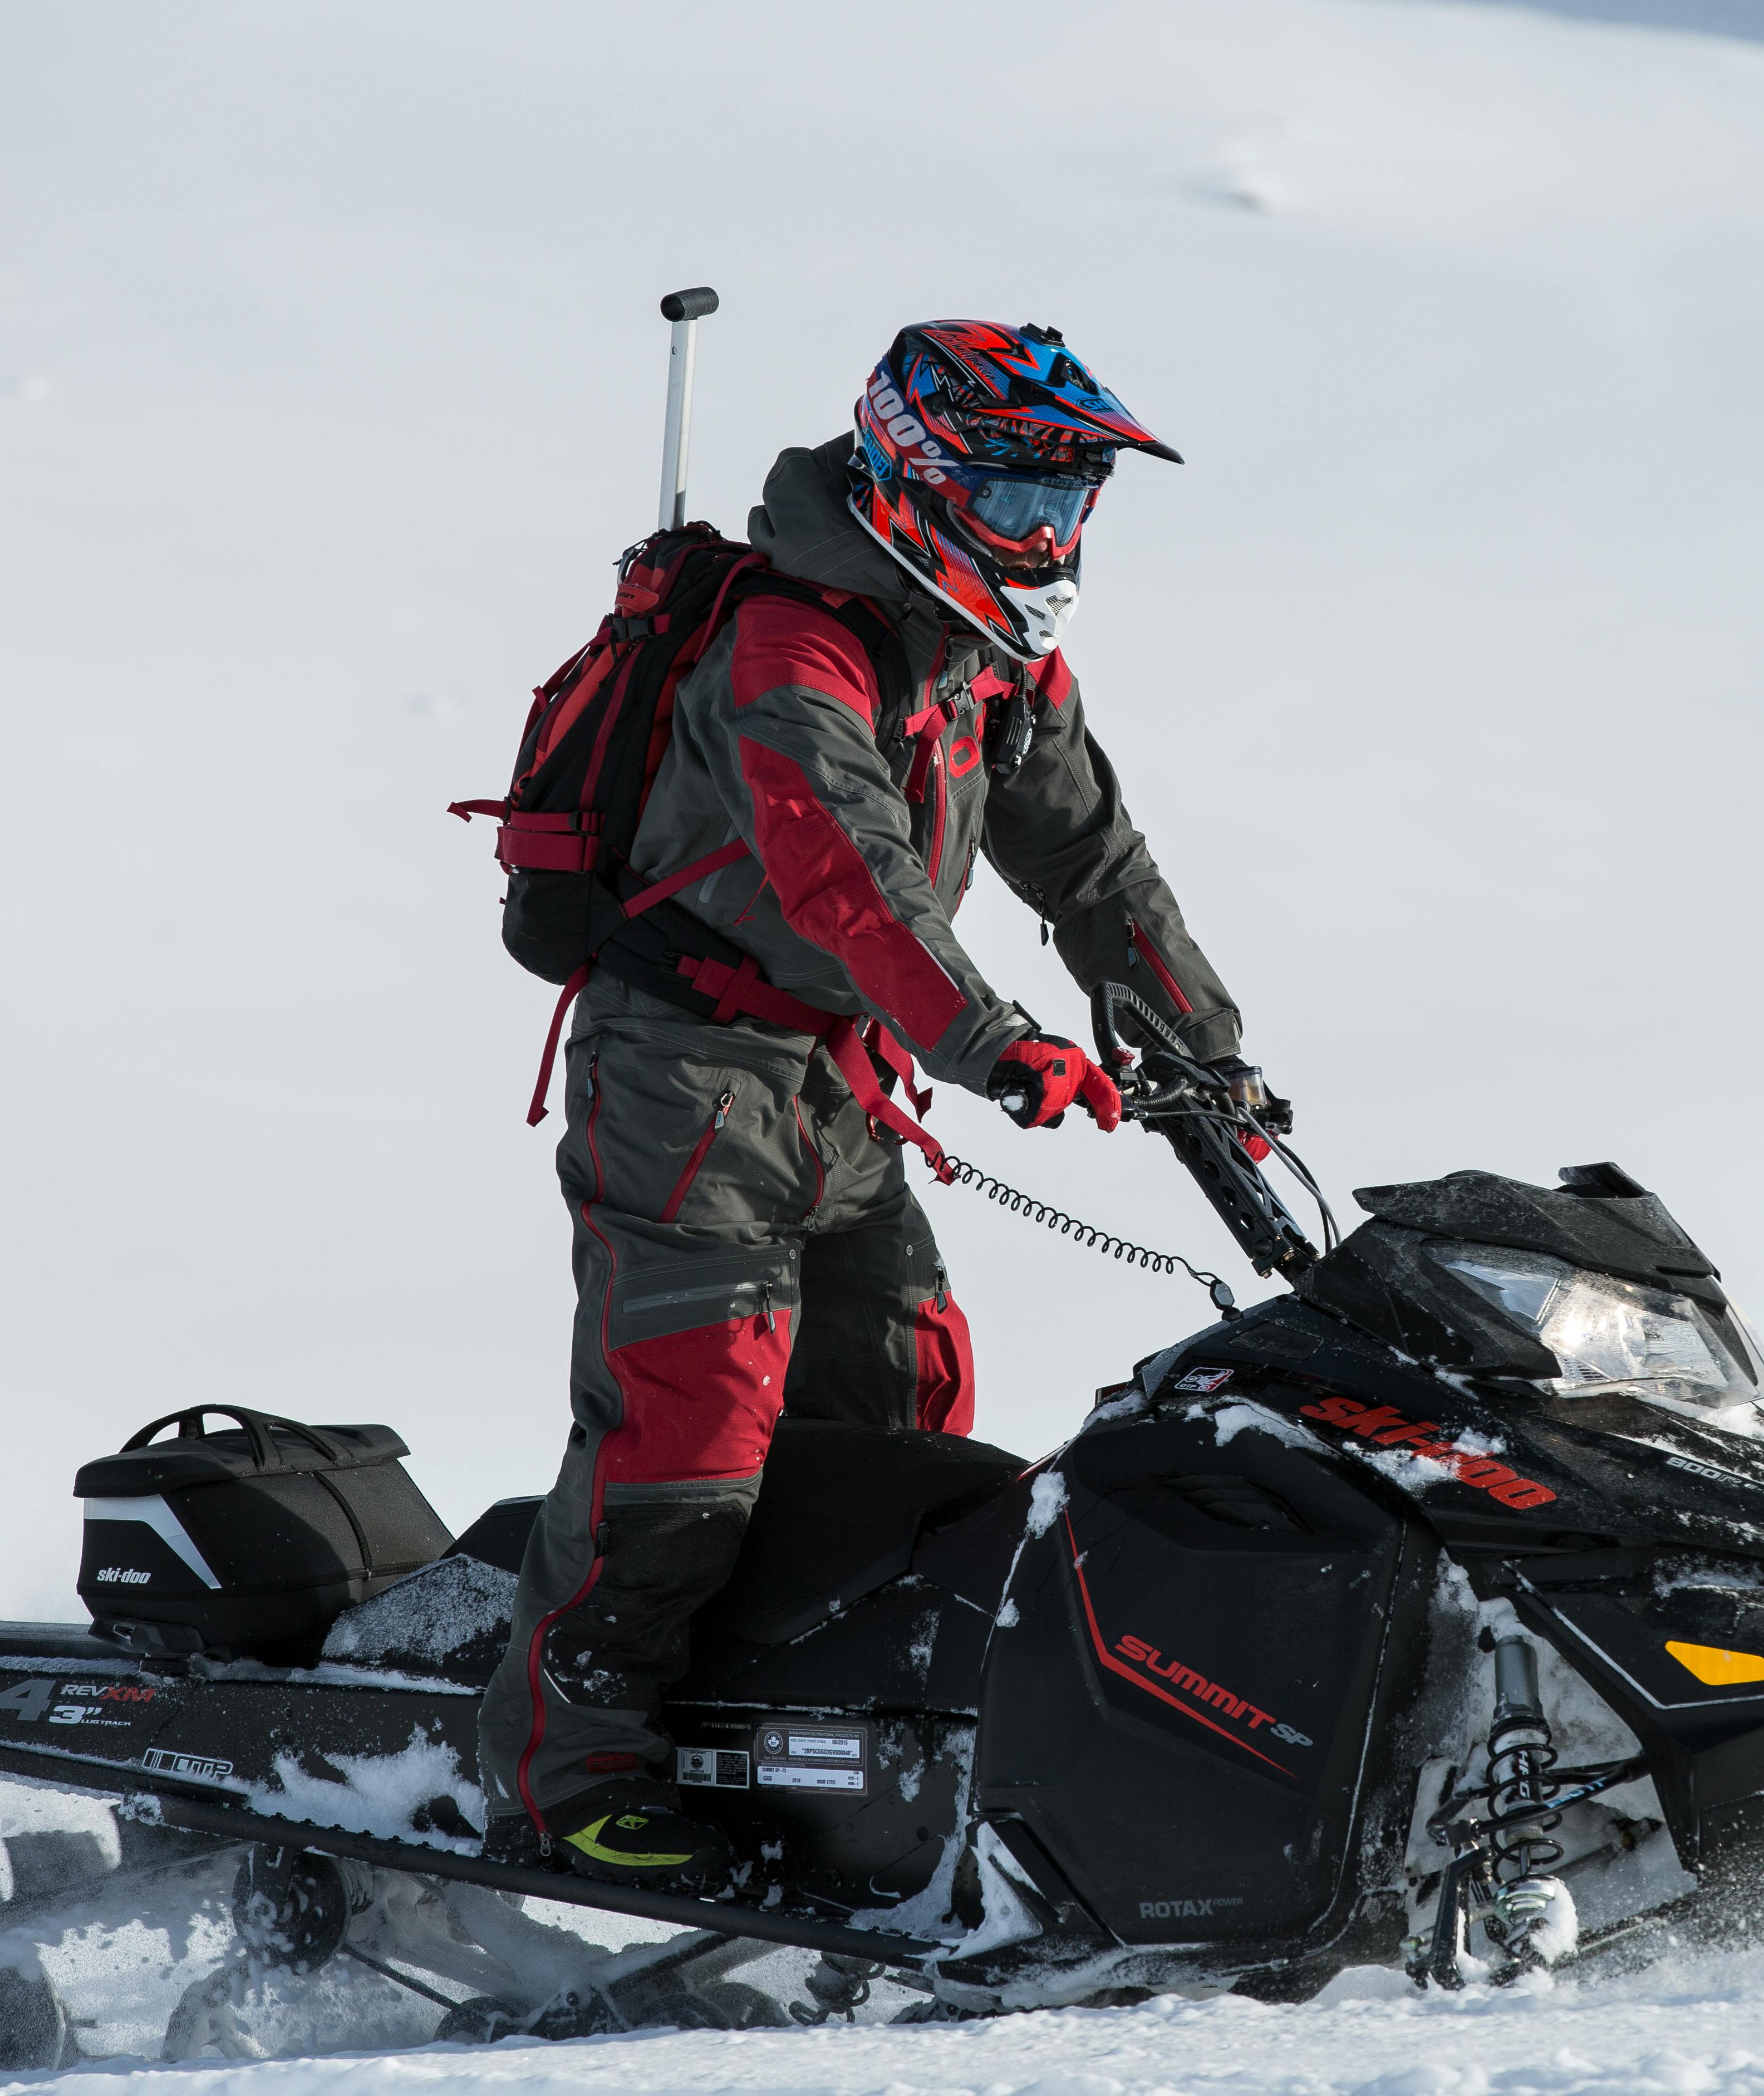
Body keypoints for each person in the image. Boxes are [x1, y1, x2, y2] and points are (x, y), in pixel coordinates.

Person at [476, 320, 1267, 1887]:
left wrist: (1210, 1061)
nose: (1050, 539)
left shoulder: (993, 654)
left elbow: (1095, 871)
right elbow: (845, 877)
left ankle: (814, 1742)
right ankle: (567, 1775)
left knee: (900, 1412)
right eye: (1020, 501)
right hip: (688, 1076)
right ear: (915, 477)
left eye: (1071, 507)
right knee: (688, 1438)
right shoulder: (793, 646)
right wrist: (994, 1044)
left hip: (839, 1079)